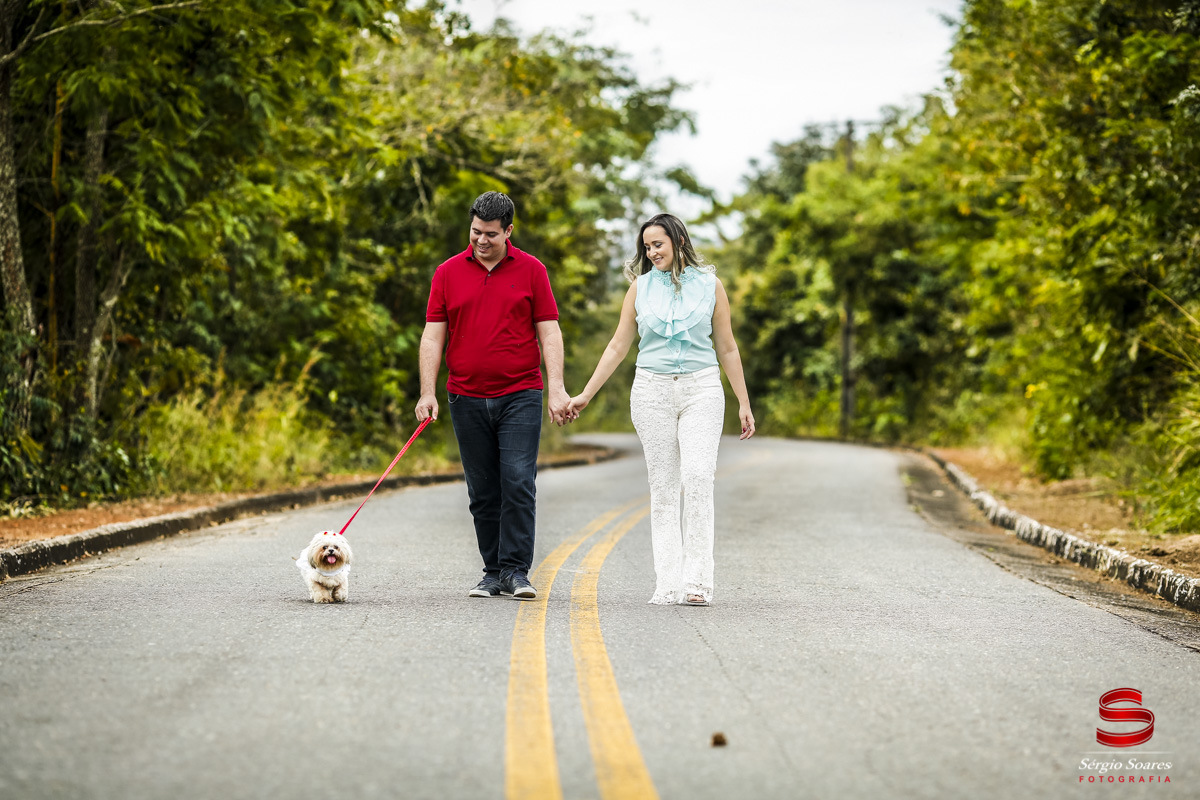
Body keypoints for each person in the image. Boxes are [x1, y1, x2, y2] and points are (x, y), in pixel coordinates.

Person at [566, 213, 755, 606]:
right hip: (651, 391)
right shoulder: (639, 289)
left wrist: (743, 401)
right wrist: (586, 393)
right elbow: (619, 345)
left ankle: (698, 582)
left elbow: (727, 347)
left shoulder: (711, 286)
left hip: (701, 388)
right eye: (646, 246)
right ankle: (668, 583)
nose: (651, 252)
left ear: (678, 241)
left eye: (658, 244)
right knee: (664, 489)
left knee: (699, 478)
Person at [415, 191, 571, 600]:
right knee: (482, 491)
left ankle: (516, 571)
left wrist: (556, 388)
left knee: (518, 482)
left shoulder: (533, 270)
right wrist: (425, 392)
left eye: (490, 234)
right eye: (475, 232)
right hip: (464, 396)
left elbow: (549, 331)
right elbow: (433, 335)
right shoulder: (447, 272)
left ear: (508, 231)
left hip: (520, 392)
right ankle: (492, 571)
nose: (481, 241)